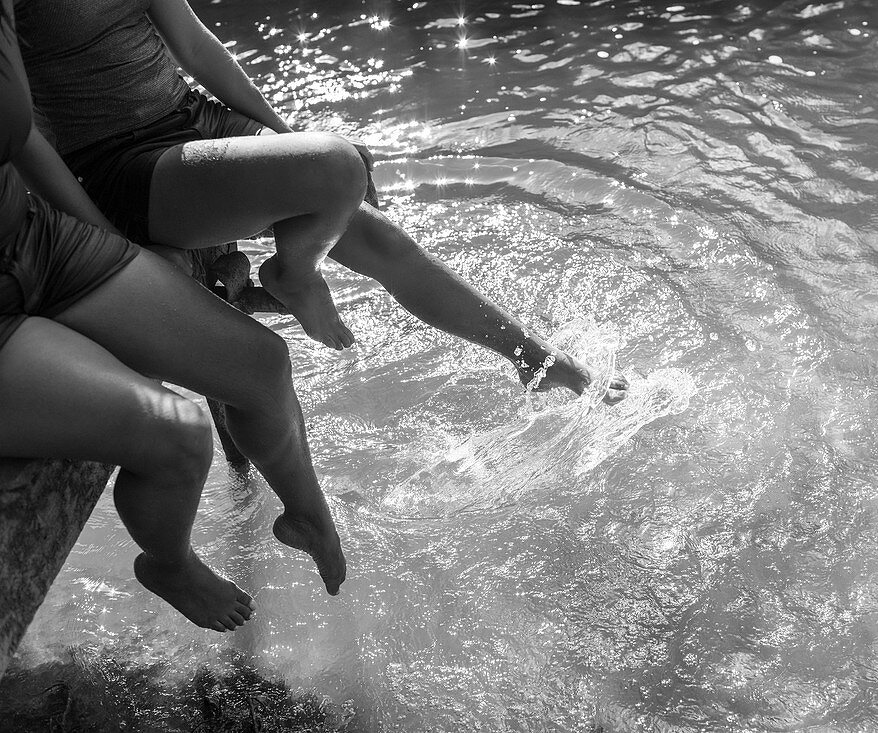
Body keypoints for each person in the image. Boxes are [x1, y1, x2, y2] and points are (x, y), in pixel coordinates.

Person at [13, 0, 629, 403]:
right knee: (336, 166)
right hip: (121, 168)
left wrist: (284, 140)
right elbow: (24, 139)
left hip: (192, 121)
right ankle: (294, 273)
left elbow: (196, 50)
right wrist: (109, 246)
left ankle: (532, 357)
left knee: (363, 209)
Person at [0, 0, 345, 633]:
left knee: (263, 363)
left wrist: (105, 241)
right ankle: (169, 562)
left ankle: (309, 511)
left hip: (36, 239)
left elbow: (21, 137)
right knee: (181, 435)